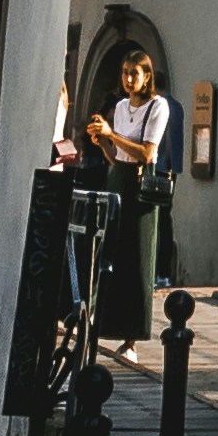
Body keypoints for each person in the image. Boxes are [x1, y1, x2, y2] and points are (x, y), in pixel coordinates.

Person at [77, 41, 177, 344]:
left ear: (146, 76)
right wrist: (103, 142)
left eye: (134, 73)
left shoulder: (158, 106)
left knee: (137, 257)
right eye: (124, 73)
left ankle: (132, 337)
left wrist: (113, 135)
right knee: (112, 252)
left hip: (141, 187)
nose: (127, 79)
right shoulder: (120, 107)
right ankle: (106, 324)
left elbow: (147, 153)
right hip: (118, 178)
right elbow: (117, 157)